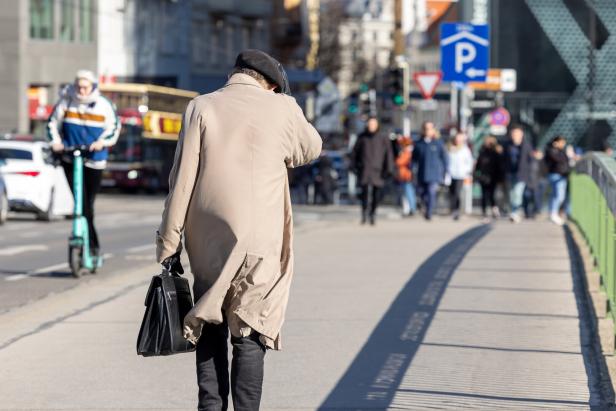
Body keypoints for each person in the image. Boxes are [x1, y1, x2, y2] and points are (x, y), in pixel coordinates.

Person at [156, 50, 322, 411]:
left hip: (208, 238)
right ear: (272, 84)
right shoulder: (283, 108)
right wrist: (286, 102)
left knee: (209, 322)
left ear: (235, 74)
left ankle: (210, 407)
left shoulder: (201, 107)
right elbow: (311, 148)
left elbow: (181, 181)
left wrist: (169, 242)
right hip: (262, 240)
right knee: (249, 331)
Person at [47, 69, 120, 258]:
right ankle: (86, 242)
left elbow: (113, 127)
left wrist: (102, 142)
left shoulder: (103, 105)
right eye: (78, 86)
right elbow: (52, 124)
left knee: (88, 204)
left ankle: (93, 244)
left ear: (92, 87)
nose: (81, 90)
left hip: (94, 160)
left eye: (85, 87)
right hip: (70, 157)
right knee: (80, 203)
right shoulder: (66, 101)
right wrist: (56, 142)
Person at [350, 117, 394, 225]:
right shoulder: (362, 137)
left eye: (373, 124)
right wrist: (354, 166)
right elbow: (354, 153)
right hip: (364, 169)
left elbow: (388, 154)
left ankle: (373, 213)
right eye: (370, 124)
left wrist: (388, 168)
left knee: (376, 194)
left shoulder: (383, 138)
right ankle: (364, 213)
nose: (371, 126)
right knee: (364, 193)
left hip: (378, 170)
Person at [413, 121, 448, 220]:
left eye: (430, 128)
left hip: (434, 174)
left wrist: (445, 171)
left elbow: (444, 159)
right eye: (426, 128)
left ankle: (429, 212)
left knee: (431, 191)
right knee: (421, 192)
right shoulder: (419, 143)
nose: (428, 131)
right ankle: (424, 206)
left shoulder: (438, 143)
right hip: (421, 173)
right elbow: (414, 159)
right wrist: (412, 169)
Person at [502, 124, 534, 223]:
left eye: (517, 133)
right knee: (511, 193)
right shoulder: (507, 145)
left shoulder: (526, 145)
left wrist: (529, 171)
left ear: (521, 134)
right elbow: (503, 158)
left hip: (522, 173)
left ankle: (515, 211)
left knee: (518, 192)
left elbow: (530, 159)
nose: (515, 135)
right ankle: (514, 211)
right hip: (510, 172)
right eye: (513, 133)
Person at [474, 136, 503, 220]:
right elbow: (478, 166)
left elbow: (499, 166)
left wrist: (500, 178)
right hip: (483, 177)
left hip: (493, 177)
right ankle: (484, 212)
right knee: (484, 195)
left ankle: (494, 210)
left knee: (492, 195)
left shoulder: (496, 153)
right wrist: (477, 175)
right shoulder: (482, 152)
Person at [447, 131, 474, 220]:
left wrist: (467, 171)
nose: (458, 140)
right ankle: (452, 209)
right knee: (451, 192)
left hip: (461, 175)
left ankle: (457, 210)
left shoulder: (465, 150)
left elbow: (469, 162)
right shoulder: (450, 148)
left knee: (457, 192)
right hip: (451, 174)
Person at [544, 135, 570, 225]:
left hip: (563, 175)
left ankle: (553, 213)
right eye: (561, 142)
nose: (563, 144)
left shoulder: (561, 151)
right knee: (558, 195)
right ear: (556, 142)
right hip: (555, 175)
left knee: (557, 195)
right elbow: (559, 160)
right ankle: (553, 214)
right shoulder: (551, 150)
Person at [394, 135, 416, 216]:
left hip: (406, 176)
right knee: (406, 193)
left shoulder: (407, 153)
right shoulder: (406, 152)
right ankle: (410, 208)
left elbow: (398, 162)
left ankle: (412, 208)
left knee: (409, 192)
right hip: (403, 176)